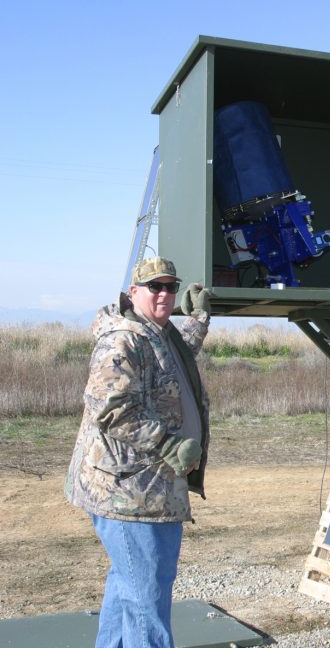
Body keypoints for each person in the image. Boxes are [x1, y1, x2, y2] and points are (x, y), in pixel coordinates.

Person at [65, 256, 212, 648]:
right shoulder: (122, 340)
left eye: (170, 287)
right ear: (134, 292)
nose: (164, 294)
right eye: (154, 287)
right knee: (147, 600)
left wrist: (199, 319)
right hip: (129, 494)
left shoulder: (157, 334)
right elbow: (110, 409)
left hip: (149, 491)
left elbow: (177, 356)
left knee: (129, 586)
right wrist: (168, 444)